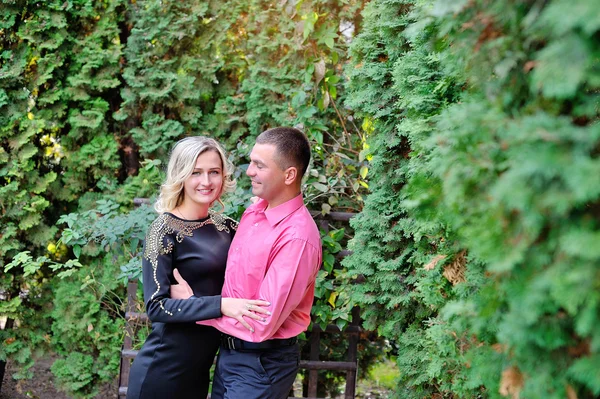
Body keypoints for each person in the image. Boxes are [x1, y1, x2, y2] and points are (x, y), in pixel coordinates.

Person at [171, 127, 322, 399]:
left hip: (261, 364)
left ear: (289, 175)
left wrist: (197, 306)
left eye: (260, 165)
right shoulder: (255, 212)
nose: (249, 171)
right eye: (251, 162)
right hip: (230, 356)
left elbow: (261, 323)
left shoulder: (297, 238)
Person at [126, 137, 271, 399]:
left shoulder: (227, 227)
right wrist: (222, 304)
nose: (206, 182)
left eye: (214, 172)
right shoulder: (163, 230)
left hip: (200, 372)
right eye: (196, 172)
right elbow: (156, 307)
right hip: (163, 373)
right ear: (181, 175)